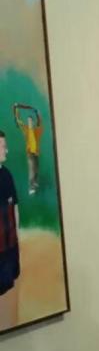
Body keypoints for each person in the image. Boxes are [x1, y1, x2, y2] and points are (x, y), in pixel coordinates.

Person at [0, 131, 20, 329]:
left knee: (8, 281)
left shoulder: (6, 175)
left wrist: (17, 234)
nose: (6, 150)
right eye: (2, 146)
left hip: (9, 242)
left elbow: (15, 206)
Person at [11, 104, 42, 194]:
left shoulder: (37, 131)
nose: (30, 122)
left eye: (31, 121)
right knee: (32, 170)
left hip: (36, 153)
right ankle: (31, 187)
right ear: (27, 123)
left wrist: (37, 113)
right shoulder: (26, 130)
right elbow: (19, 120)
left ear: (33, 122)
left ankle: (35, 182)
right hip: (30, 154)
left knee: (36, 168)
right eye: (28, 121)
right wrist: (16, 109)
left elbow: (39, 122)